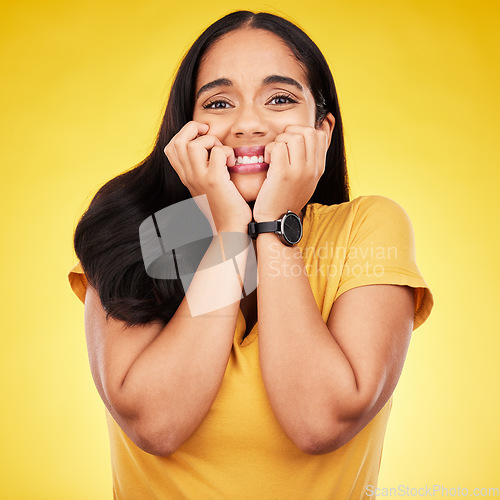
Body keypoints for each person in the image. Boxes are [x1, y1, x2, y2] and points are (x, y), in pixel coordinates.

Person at [68, 10, 433, 499]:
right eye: (219, 102)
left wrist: (273, 223)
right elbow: (156, 425)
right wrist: (226, 229)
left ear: (322, 130)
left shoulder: (366, 228)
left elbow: (319, 422)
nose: (248, 125)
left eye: (280, 98)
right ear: (188, 126)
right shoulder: (142, 230)